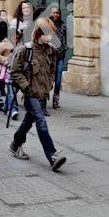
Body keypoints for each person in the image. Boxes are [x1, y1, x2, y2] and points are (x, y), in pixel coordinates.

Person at [9, 17, 67, 172]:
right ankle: (52, 155)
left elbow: (52, 70)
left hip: (42, 94)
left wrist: (49, 86)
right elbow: (14, 71)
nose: (49, 38)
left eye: (51, 34)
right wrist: (25, 86)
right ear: (37, 33)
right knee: (41, 121)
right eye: (47, 34)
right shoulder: (25, 50)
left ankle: (15, 143)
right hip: (30, 94)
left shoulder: (52, 50)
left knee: (29, 120)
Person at [0, 29, 21, 120]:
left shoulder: (19, 46)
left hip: (15, 72)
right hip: (7, 71)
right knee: (11, 91)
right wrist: (5, 60)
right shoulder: (3, 44)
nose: (16, 39)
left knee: (12, 91)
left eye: (17, 38)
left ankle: (6, 109)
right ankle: (13, 109)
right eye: (14, 37)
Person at [48, 5, 68, 110]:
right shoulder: (47, 25)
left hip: (60, 56)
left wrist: (64, 48)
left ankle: (56, 100)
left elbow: (69, 38)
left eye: (57, 13)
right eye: (53, 13)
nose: (55, 15)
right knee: (46, 78)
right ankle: (43, 98)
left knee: (58, 79)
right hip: (48, 56)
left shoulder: (63, 25)